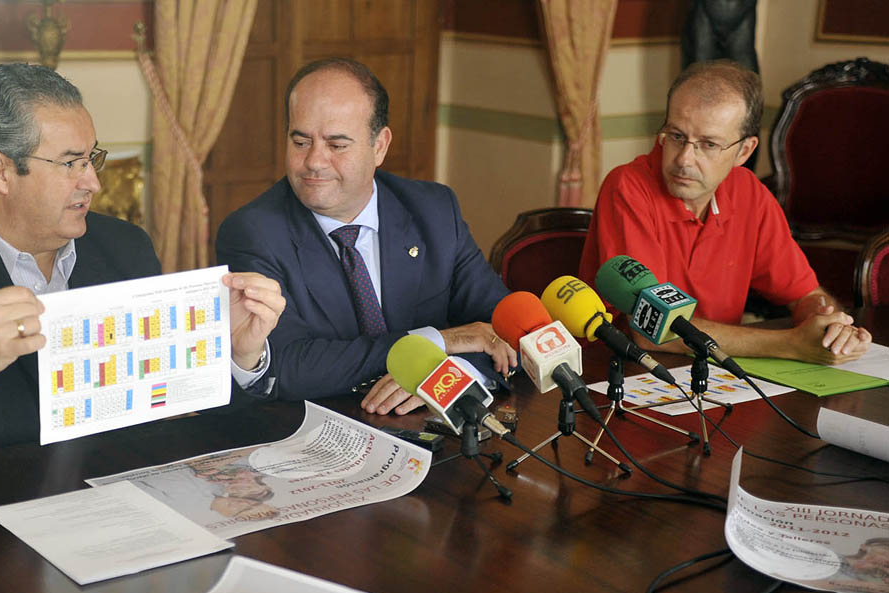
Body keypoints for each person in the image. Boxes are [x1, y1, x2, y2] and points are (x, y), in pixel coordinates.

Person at [0, 63, 285, 474]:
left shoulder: (125, 248)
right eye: (70, 163)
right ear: (0, 171)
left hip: (123, 503)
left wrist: (236, 355)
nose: (93, 182)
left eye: (91, 158)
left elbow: (186, 411)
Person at [216, 58, 514, 416]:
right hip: (322, 434)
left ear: (380, 146)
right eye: (300, 141)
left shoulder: (433, 210)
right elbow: (289, 365)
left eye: (336, 145)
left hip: (437, 426)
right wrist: (436, 342)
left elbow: (501, 329)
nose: (314, 161)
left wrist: (449, 377)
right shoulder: (254, 231)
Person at [579, 59, 871, 365]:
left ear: (744, 151)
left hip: (713, 370)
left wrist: (830, 326)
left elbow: (804, 294)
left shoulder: (749, 193)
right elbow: (650, 329)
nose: (684, 160)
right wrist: (791, 343)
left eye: (708, 144)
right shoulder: (628, 186)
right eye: (676, 136)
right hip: (623, 370)